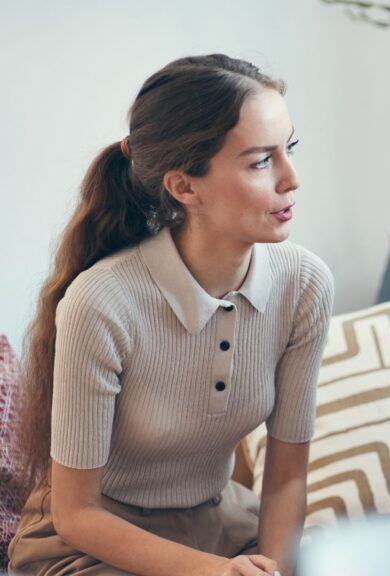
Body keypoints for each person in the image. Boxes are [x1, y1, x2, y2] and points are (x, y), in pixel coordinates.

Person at [10, 54, 333, 576]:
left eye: (289, 149)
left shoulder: (305, 284)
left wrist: (271, 567)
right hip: (97, 543)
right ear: (184, 187)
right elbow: (76, 514)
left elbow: (287, 476)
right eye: (260, 161)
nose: (291, 178)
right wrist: (217, 573)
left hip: (223, 524)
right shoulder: (102, 302)